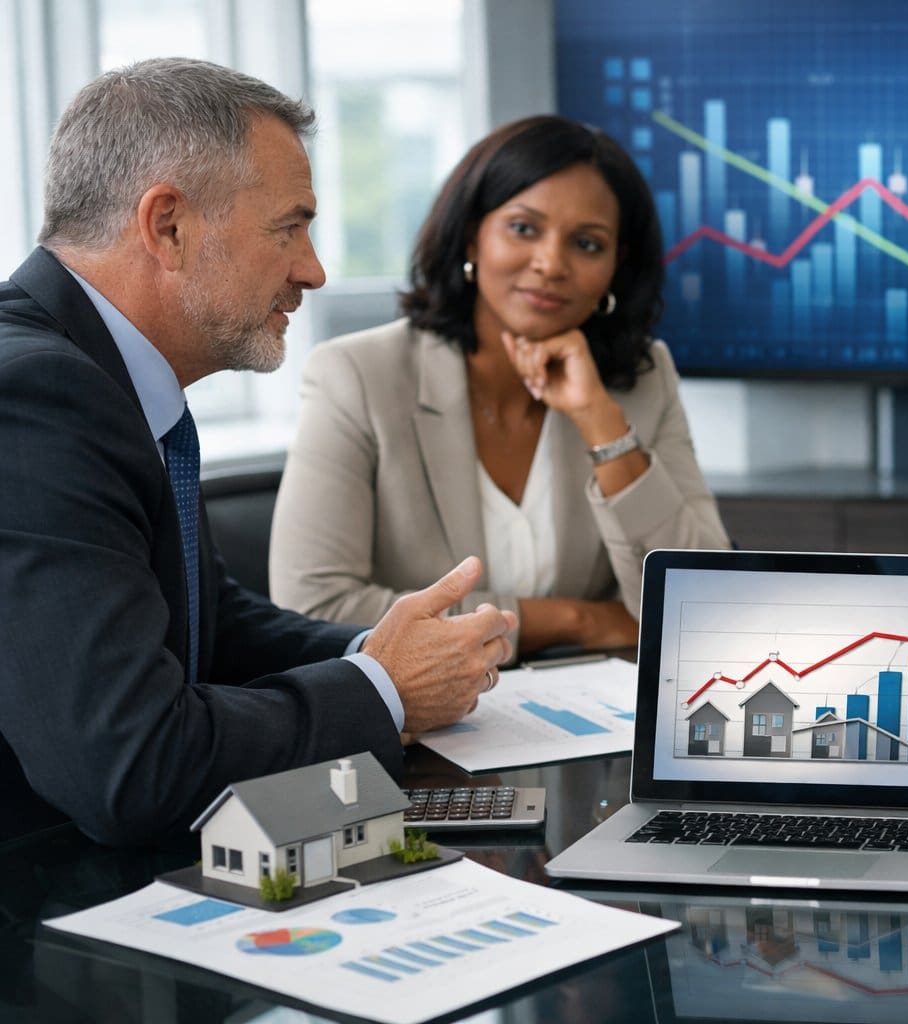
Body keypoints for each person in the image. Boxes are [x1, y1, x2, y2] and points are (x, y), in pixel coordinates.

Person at [0, 59, 516, 846]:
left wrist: (387, 655)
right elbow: (134, 767)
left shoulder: (106, 377)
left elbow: (204, 620)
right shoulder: (38, 400)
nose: (312, 270)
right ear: (167, 226)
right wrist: (383, 689)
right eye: (290, 226)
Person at [269, 116, 729, 660]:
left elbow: (705, 604)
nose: (551, 264)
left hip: (599, 724)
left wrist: (601, 420)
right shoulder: (357, 375)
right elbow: (315, 606)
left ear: (615, 267)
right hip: (424, 723)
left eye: (586, 243)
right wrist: (574, 620)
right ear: (472, 234)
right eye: (523, 228)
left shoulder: (644, 376)